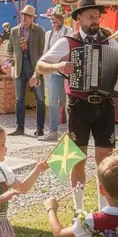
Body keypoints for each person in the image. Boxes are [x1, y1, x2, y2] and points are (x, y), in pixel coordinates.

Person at [35, 0, 118, 213]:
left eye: (97, 17)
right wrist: (59, 65)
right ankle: (79, 210)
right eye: (90, 16)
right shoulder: (68, 42)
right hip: (78, 105)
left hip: (105, 105)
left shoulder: (109, 42)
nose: (95, 20)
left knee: (105, 159)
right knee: (77, 158)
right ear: (78, 18)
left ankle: (104, 210)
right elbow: (41, 65)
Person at [5, 4, 45, 137]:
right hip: (19, 68)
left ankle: (40, 128)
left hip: (35, 68)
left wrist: (39, 70)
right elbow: (9, 48)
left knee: (40, 99)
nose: (24, 18)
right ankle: (19, 127)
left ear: (33, 18)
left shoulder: (39, 31)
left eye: (27, 16)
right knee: (19, 99)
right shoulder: (14, 31)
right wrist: (10, 59)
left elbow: (42, 51)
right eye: (23, 15)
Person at [42, 8, 68, 141]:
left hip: (66, 72)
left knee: (67, 101)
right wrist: (43, 70)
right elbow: (45, 53)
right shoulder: (48, 34)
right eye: (51, 19)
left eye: (55, 18)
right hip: (53, 72)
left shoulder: (69, 32)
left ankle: (72, 132)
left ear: (61, 19)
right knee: (52, 102)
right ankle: (53, 132)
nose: (53, 21)